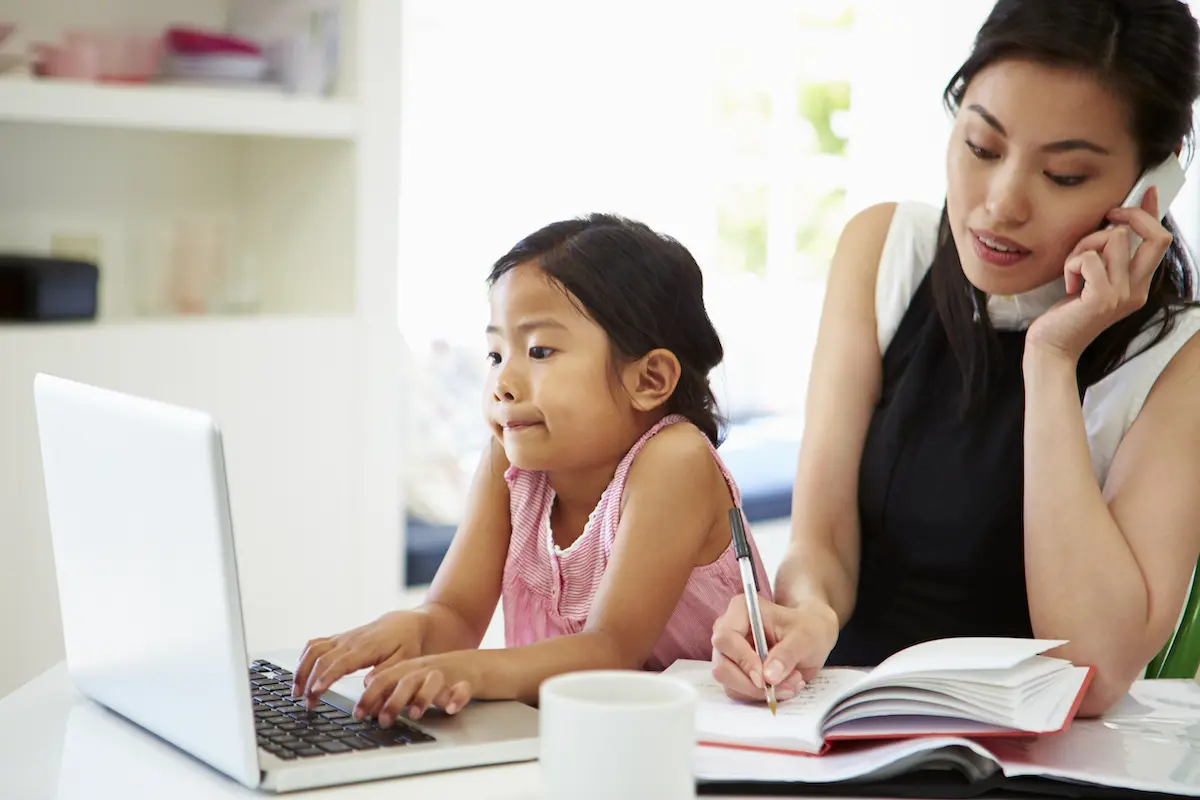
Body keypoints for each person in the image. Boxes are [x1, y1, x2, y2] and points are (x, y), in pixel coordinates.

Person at [712, 0, 1200, 717]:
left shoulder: (1176, 357)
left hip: (1037, 768)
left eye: (1063, 175)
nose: (1001, 205)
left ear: (1148, 188)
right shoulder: (884, 252)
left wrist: (1051, 359)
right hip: (848, 729)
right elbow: (823, 542)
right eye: (981, 147)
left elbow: (1093, 670)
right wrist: (807, 614)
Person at [292, 214, 770, 727]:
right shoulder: (511, 464)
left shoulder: (675, 460)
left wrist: (466, 672)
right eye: (496, 353)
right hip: (570, 744)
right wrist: (407, 630)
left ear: (649, 378)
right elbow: (454, 614)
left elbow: (610, 652)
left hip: (695, 750)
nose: (503, 382)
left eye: (539, 350)